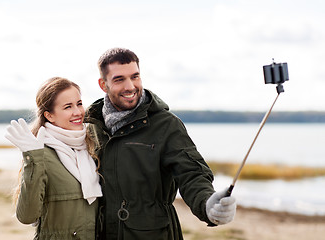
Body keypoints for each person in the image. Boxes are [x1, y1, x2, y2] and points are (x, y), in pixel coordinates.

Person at [84, 48, 237, 240]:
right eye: (119, 79)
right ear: (103, 84)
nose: (130, 86)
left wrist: (207, 204)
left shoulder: (166, 125)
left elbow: (192, 173)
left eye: (135, 76)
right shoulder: (91, 126)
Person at [5, 77, 102, 240]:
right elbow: (26, 216)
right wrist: (33, 157)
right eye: (67, 107)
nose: (78, 112)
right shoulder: (40, 154)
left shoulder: (91, 147)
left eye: (79, 103)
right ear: (50, 116)